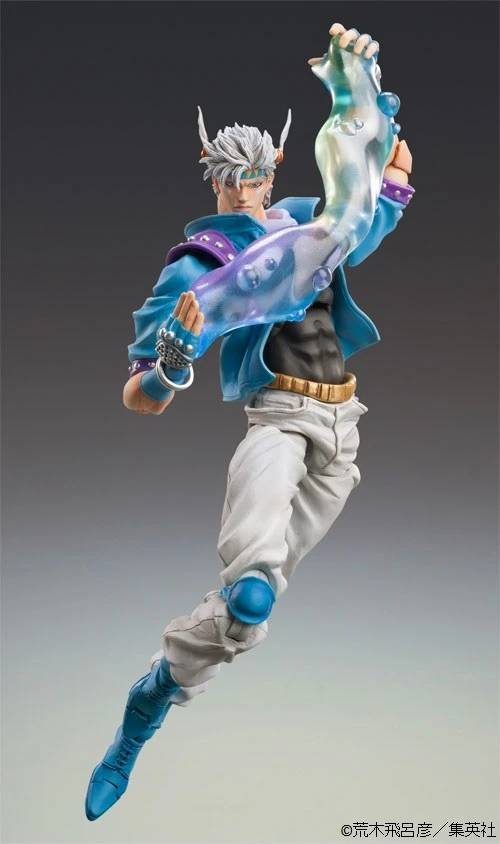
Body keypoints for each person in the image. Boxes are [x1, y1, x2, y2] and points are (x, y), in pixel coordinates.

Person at [85, 22, 414, 821]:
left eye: (256, 175)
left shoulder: (309, 223)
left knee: (238, 621)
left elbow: (374, 206)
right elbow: (142, 393)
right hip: (278, 422)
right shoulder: (199, 265)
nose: (245, 190)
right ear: (213, 178)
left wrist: (377, 127)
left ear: (274, 171)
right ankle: (138, 726)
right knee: (254, 592)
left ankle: (157, 688)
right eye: (230, 178)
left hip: (344, 429)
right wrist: (169, 365)